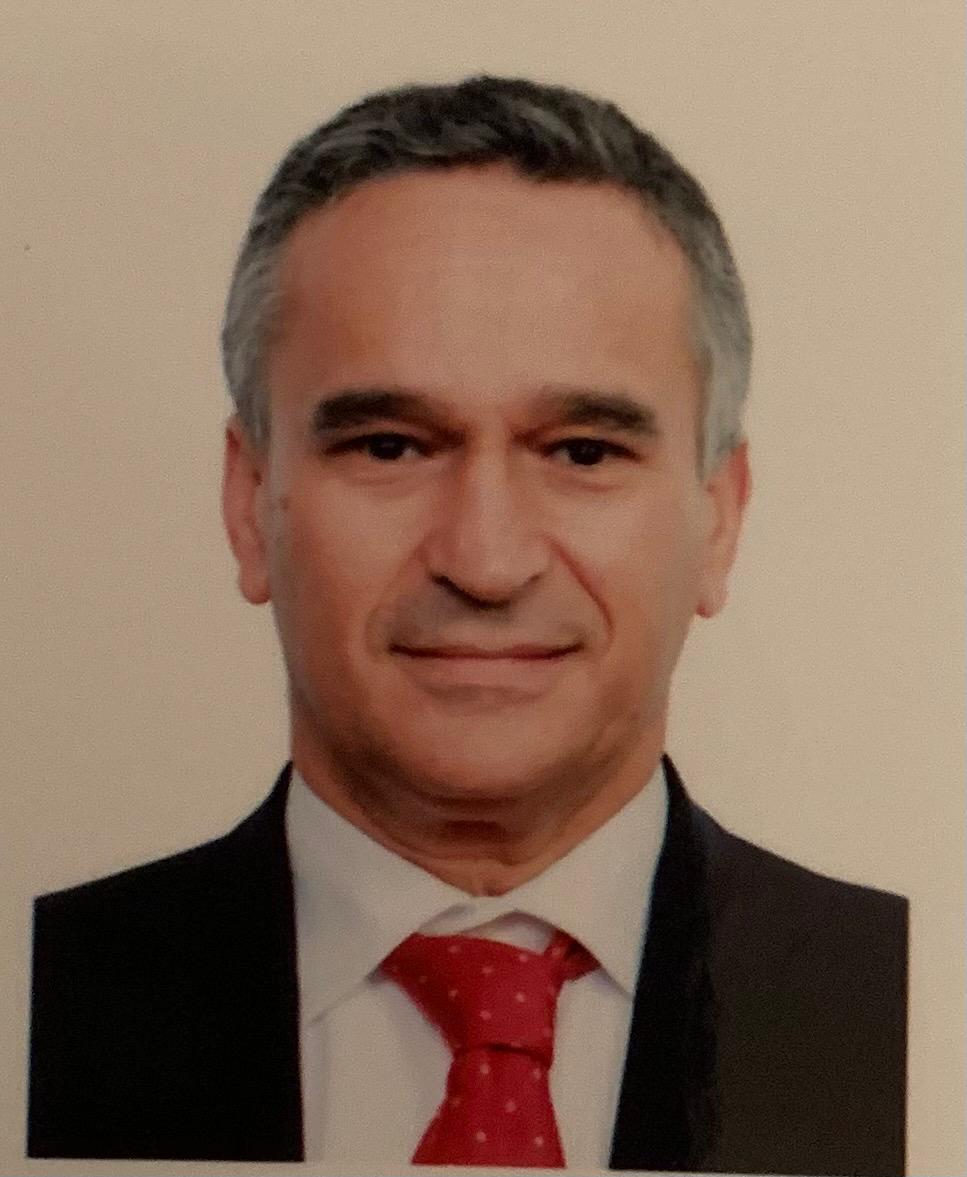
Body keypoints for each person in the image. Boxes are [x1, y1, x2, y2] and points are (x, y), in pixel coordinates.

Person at [27, 75, 906, 1175]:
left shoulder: (914, 1012)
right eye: (390, 445)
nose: (485, 561)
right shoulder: (39, 996)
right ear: (249, 503)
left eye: (582, 451)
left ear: (718, 518)